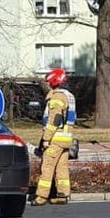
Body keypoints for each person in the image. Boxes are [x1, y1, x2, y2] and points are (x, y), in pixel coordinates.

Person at [33, 68, 76, 205]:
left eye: (49, 82)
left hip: (55, 139)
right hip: (66, 138)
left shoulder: (57, 97)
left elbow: (54, 120)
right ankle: (63, 194)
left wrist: (46, 138)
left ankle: (41, 196)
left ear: (54, 81)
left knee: (47, 166)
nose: (48, 85)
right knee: (61, 167)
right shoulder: (69, 95)